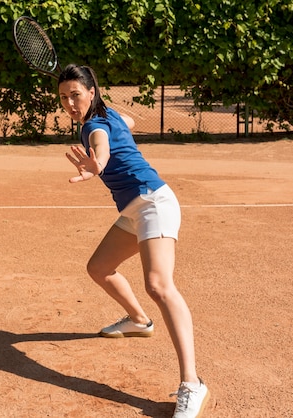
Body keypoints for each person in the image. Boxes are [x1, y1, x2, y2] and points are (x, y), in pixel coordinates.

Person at [59, 64, 209, 418]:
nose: (69, 103)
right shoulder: (107, 113)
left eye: (75, 95)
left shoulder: (94, 126)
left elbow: (102, 146)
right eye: (63, 97)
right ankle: (139, 321)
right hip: (134, 208)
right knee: (99, 267)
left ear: (91, 92)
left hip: (154, 202)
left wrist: (98, 165)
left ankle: (192, 383)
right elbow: (130, 122)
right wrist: (108, 122)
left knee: (159, 285)